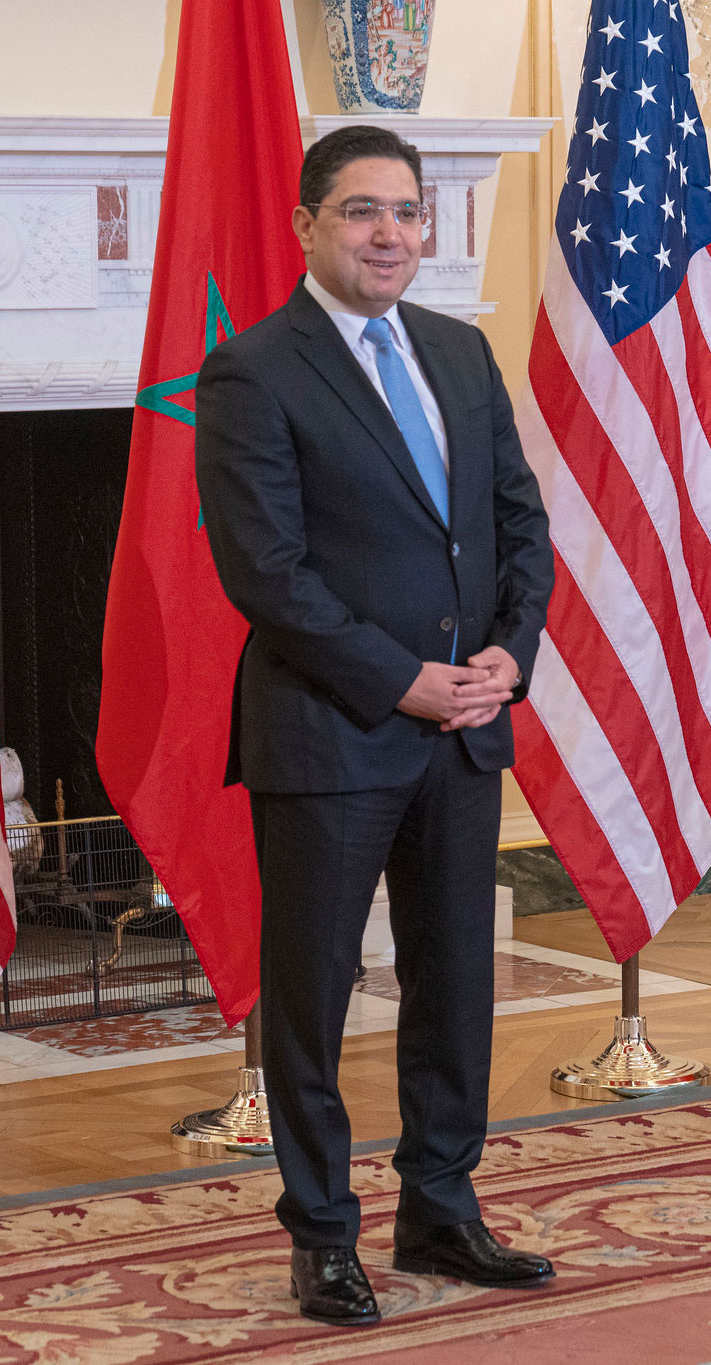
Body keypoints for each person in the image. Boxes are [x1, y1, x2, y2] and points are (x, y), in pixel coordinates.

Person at [195, 124, 556, 1326]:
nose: (390, 233)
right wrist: (399, 677)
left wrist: (511, 651)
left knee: (456, 982)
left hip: (466, 726)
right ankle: (322, 1234)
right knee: (312, 990)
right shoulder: (253, 369)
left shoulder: (459, 353)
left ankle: (441, 1209)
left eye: (406, 212)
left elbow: (518, 524)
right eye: (361, 211)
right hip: (331, 730)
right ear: (306, 228)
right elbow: (267, 572)